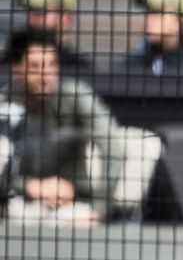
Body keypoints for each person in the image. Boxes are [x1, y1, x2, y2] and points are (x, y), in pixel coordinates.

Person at [2, 29, 123, 223]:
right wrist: (31, 186)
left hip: (73, 205)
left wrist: (99, 209)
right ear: (16, 67)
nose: (45, 75)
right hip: (18, 204)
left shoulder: (76, 97)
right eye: (35, 66)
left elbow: (113, 146)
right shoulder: (4, 105)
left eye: (52, 65)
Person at [123, 0, 183, 78]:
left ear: (180, 19)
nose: (148, 19)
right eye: (147, 11)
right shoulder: (130, 66)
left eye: (157, 12)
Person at [20, 0, 92, 75]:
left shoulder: (78, 66)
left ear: (65, 16)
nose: (30, 18)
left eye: (39, 11)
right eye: (28, 10)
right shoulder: (15, 57)